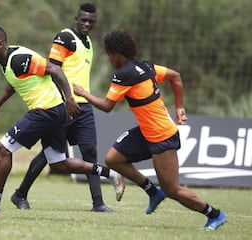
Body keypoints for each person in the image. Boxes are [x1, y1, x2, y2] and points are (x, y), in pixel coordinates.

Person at [73, 29, 227, 230]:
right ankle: (153, 192)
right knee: (113, 159)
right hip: (147, 131)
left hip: (161, 136)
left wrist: (84, 93)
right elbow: (176, 77)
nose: (109, 58)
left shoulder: (123, 75)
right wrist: (179, 106)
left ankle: (215, 214)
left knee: (173, 189)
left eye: (109, 54)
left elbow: (107, 106)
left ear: (116, 53)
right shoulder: (144, 66)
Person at [0, 25, 124, 217]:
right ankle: (110, 174)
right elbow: (13, 83)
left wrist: (70, 98)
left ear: (0, 44)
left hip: (46, 111)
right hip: (55, 112)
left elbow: (55, 69)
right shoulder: (9, 61)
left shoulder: (20, 59)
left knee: (3, 148)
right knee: (58, 163)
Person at [10, 3, 119, 213]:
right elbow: (53, 69)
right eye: (83, 19)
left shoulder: (88, 43)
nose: (87, 23)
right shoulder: (65, 37)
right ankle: (20, 194)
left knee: (90, 151)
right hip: (63, 105)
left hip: (84, 107)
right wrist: (66, 99)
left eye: (91, 21)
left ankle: (98, 204)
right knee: (51, 153)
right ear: (75, 19)